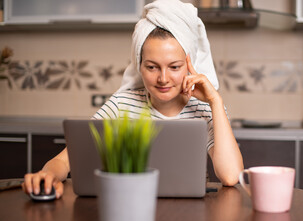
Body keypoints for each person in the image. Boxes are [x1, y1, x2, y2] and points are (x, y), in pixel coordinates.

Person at [22, 0, 243, 199]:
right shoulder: (121, 106)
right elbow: (63, 160)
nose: (163, 78)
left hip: (190, 215)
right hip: (129, 205)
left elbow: (231, 176)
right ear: (139, 66)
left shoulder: (204, 109)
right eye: (151, 67)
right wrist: (47, 175)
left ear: (189, 65)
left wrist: (215, 101)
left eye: (174, 67)